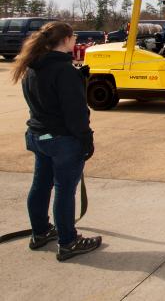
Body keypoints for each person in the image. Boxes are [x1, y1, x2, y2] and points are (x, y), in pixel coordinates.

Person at [10, 22, 102, 260]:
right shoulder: (64, 71)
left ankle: (40, 232)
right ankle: (68, 241)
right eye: (74, 38)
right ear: (66, 40)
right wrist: (85, 139)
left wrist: (77, 80)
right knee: (64, 190)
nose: (75, 42)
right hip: (62, 140)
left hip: (39, 136)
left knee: (40, 186)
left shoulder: (31, 67)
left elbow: (45, 98)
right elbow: (75, 113)